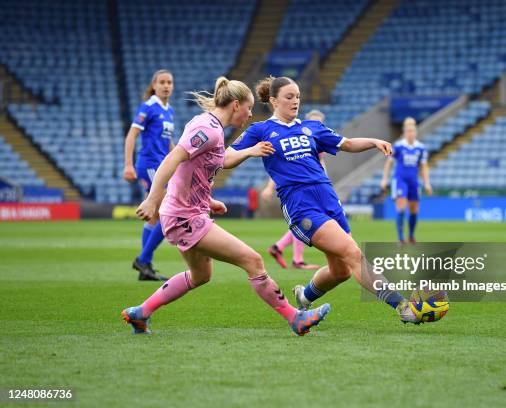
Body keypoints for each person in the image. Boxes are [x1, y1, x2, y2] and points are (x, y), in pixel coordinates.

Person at [121, 77, 330, 336]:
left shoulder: (211, 127)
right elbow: (174, 158)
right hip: (185, 216)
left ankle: (140, 313)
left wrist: (208, 200)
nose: (250, 114)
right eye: (248, 107)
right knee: (252, 260)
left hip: (186, 212)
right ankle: (295, 318)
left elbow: (196, 167)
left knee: (201, 275)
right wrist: (153, 198)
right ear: (234, 105)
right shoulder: (208, 129)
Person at [225, 76, 420, 324]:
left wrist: (373, 141)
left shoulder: (312, 127)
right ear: (274, 100)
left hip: (329, 199)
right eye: (289, 97)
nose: (295, 101)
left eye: (297, 96)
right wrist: (250, 151)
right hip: (301, 204)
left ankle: (304, 297)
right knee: (352, 253)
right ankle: (403, 307)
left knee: (340, 271)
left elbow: (347, 144)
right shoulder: (260, 130)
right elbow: (225, 159)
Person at [123, 69, 175, 281]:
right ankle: (143, 260)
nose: (166, 86)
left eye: (169, 82)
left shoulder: (168, 109)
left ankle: (146, 267)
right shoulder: (149, 107)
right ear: (154, 85)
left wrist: (179, 160)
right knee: (169, 212)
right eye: (162, 82)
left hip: (163, 165)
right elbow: (131, 135)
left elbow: (169, 142)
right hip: (150, 164)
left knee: (155, 216)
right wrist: (128, 164)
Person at [262, 109, 327, 270]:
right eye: (315, 121)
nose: (317, 125)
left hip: (315, 186)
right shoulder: (299, 139)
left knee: (307, 220)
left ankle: (278, 247)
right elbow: (284, 167)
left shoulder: (317, 139)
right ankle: (297, 260)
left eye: (320, 122)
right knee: (305, 220)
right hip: (300, 187)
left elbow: (319, 163)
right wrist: (269, 188)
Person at [380, 117, 432, 244]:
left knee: (414, 209)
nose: (410, 133)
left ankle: (411, 236)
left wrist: (427, 183)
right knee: (401, 207)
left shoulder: (421, 148)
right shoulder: (398, 147)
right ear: (405, 132)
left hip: (414, 182)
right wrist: (385, 179)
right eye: (408, 131)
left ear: (415, 132)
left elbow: (424, 167)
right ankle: (400, 237)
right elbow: (389, 163)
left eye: (412, 131)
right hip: (400, 180)